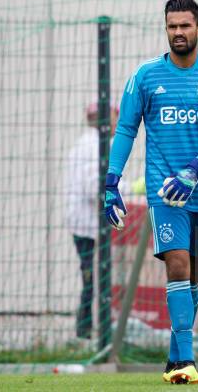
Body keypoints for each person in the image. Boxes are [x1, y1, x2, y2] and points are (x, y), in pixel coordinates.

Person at [102, 0, 198, 384]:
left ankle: (175, 355)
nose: (178, 32)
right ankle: (186, 363)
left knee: (194, 276)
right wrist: (111, 184)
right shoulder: (144, 76)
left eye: (185, 26)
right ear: (166, 29)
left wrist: (194, 169)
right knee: (177, 263)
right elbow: (126, 129)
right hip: (167, 191)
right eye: (172, 26)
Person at [63, 102, 118, 340]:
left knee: (92, 276)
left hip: (85, 223)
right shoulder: (94, 145)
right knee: (93, 277)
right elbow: (94, 187)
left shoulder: (90, 143)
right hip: (88, 225)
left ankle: (89, 328)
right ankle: (87, 330)